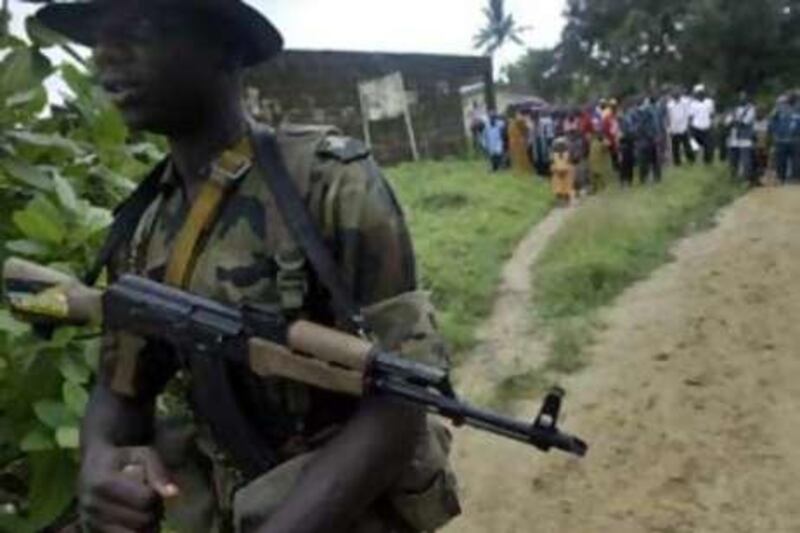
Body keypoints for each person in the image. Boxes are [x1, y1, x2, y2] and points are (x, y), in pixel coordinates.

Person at [34, 1, 460, 532]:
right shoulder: (143, 224)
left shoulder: (330, 186)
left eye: (140, 26)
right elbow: (121, 387)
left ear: (225, 46)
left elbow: (400, 405)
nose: (105, 53)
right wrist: (99, 460)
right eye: (99, 34)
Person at [769, 93, 800, 184]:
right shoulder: (777, 112)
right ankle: (781, 179)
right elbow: (771, 124)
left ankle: (796, 179)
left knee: (796, 161)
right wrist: (775, 133)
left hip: (795, 140)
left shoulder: (797, 111)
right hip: (780, 140)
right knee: (781, 161)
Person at [728, 91, 757, 185]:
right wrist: (732, 120)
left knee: (746, 159)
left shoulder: (751, 109)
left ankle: (747, 179)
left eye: (744, 97)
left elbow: (745, 122)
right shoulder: (734, 109)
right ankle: (733, 179)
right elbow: (726, 122)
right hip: (733, 138)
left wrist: (734, 120)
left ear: (748, 98)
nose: (741, 98)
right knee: (733, 159)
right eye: (740, 96)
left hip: (745, 137)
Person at [634, 96, 664, 184]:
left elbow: (654, 125)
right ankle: (651, 178)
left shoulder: (641, 112)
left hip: (646, 140)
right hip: (646, 140)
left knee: (649, 160)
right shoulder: (648, 112)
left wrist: (656, 135)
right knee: (649, 160)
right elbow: (652, 125)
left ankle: (648, 178)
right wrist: (656, 135)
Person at [667, 88, 694, 166]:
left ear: (679, 95)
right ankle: (677, 162)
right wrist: (669, 128)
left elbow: (688, 114)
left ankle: (691, 159)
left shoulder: (685, 103)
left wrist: (688, 125)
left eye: (677, 95)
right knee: (675, 148)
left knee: (687, 146)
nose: (676, 97)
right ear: (673, 96)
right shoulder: (670, 105)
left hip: (683, 127)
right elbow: (669, 117)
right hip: (674, 128)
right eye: (674, 95)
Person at [690, 84, 716, 164]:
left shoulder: (710, 102)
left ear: (703, 93)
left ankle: (707, 162)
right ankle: (695, 160)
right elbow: (691, 116)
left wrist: (712, 124)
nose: (699, 94)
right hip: (696, 127)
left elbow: (712, 114)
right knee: (695, 146)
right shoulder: (693, 103)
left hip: (706, 128)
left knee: (708, 147)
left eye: (701, 93)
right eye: (697, 93)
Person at [550, 137, 576, 204]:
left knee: (566, 187)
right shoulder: (554, 155)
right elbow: (552, 164)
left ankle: (566, 199)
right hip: (558, 175)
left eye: (561, 146)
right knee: (559, 188)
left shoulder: (567, 154)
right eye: (558, 146)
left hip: (565, 174)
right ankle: (561, 200)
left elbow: (570, 163)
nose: (560, 148)